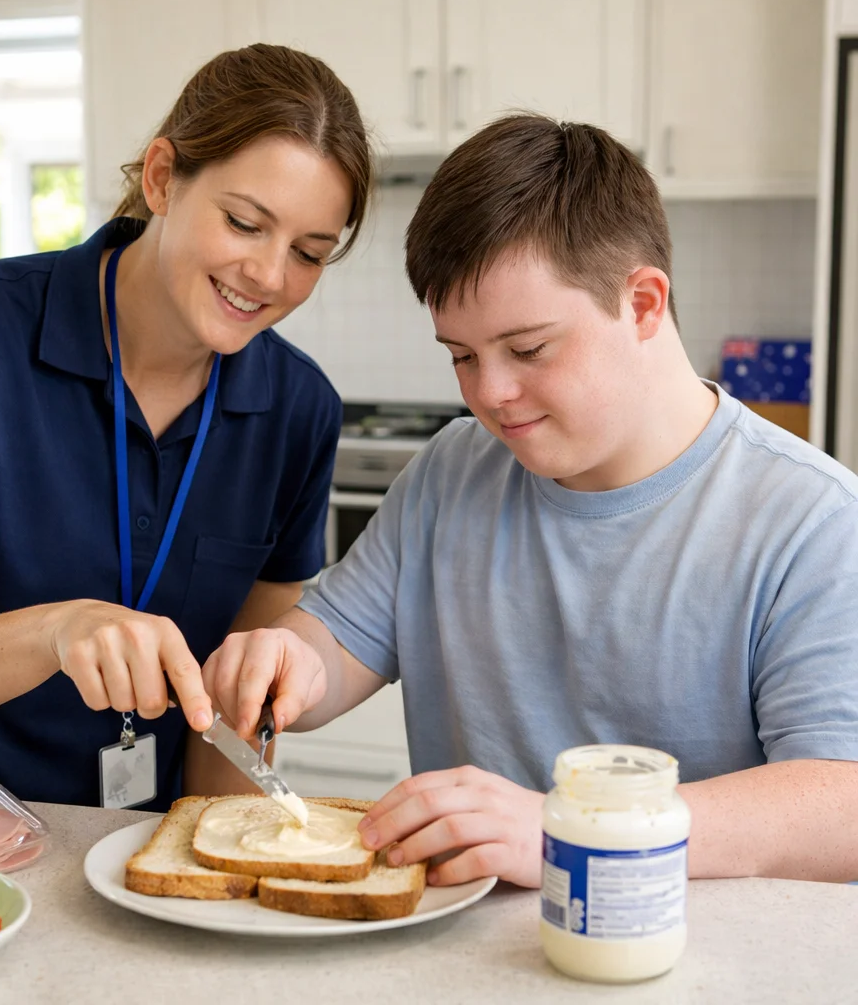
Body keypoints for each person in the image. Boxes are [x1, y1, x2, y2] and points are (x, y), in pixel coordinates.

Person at [201, 111, 858, 887]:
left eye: (529, 349)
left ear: (643, 304)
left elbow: (840, 804)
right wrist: (285, 660)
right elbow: (335, 648)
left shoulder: (813, 521)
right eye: (461, 356)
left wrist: (570, 832)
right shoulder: (452, 472)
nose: (491, 394)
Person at [0, 44, 373, 810]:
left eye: (310, 253)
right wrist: (57, 631)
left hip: (126, 858)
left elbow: (227, 713)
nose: (270, 277)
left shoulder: (298, 410)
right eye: (245, 223)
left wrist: (211, 872)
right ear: (161, 178)